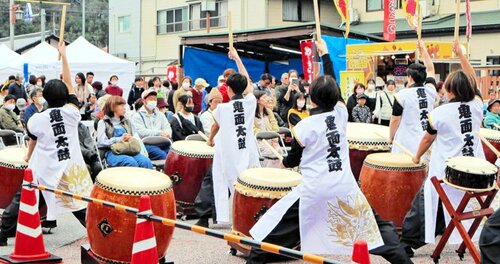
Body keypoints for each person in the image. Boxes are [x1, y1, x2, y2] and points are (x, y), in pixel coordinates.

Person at [248, 38, 411, 264]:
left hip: (314, 192)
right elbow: (333, 84)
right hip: (344, 187)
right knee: (376, 231)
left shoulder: (303, 127)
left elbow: (292, 159)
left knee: (275, 235)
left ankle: (254, 260)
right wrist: (325, 56)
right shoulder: (341, 114)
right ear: (336, 98)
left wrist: (282, 165)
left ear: (312, 98)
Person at [401, 40, 484, 256]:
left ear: (450, 90)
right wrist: (462, 56)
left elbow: (427, 139)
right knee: (441, 202)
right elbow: (473, 80)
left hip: (447, 173)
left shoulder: (439, 113)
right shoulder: (477, 106)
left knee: (426, 199)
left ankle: (408, 241)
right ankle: (441, 231)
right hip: (474, 171)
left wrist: (417, 157)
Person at [24, 41, 91, 231]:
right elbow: (70, 85)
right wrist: (65, 57)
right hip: (68, 167)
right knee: (79, 204)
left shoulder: (37, 119)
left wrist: (28, 157)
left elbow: (32, 139)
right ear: (66, 96)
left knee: (28, 198)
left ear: (44, 96)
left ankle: (6, 229)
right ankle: (99, 235)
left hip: (45, 168)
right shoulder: (72, 113)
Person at [206, 47, 260, 225]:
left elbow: (215, 126)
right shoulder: (251, 102)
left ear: (227, 89)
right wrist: (238, 58)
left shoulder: (222, 108)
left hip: (229, 153)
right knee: (251, 185)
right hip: (247, 149)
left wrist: (210, 139)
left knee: (226, 183)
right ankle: (251, 216)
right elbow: (248, 85)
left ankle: (232, 219)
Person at [389, 40, 437, 155]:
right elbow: (430, 69)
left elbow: (395, 119)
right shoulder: (430, 90)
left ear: (409, 77)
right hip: (426, 142)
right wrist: (423, 49)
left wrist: (390, 137)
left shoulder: (401, 95)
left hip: (405, 144)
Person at [97, 96, 152, 168]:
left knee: (146, 161)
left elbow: (135, 136)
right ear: (113, 107)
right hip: (112, 152)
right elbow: (101, 142)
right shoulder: (103, 122)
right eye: (121, 105)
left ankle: (145, 179)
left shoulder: (127, 121)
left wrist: (130, 137)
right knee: (130, 162)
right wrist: (119, 139)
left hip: (129, 149)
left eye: (124, 105)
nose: (124, 108)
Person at [132, 89, 172, 160]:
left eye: (155, 99)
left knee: (174, 156)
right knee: (163, 156)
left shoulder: (160, 115)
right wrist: (159, 133)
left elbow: (167, 127)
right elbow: (141, 132)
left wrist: (167, 133)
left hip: (163, 142)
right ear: (144, 101)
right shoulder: (137, 116)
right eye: (151, 99)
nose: (153, 101)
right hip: (147, 145)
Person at [253, 90, 282, 168]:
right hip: (259, 141)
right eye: (264, 97)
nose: (267, 99)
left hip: (272, 139)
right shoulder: (252, 114)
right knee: (270, 152)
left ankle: (276, 175)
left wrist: (274, 140)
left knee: (279, 151)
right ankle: (267, 174)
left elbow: (275, 126)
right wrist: (265, 135)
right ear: (258, 100)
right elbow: (253, 129)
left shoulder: (269, 111)